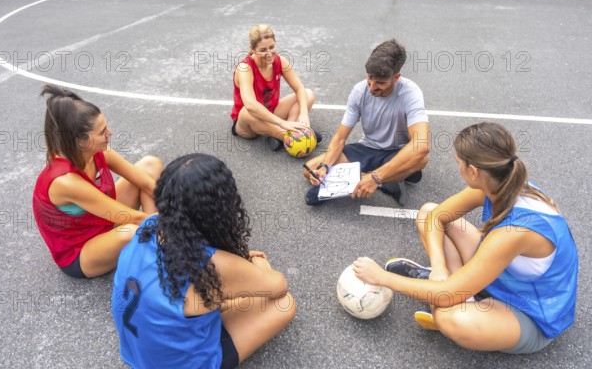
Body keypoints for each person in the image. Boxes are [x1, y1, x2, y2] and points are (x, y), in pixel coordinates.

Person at [353, 122, 578, 354]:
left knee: (449, 317)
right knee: (427, 213)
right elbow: (437, 217)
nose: (458, 168)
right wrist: (439, 267)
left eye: (459, 163)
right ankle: (450, 283)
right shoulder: (501, 183)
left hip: (531, 313)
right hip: (503, 276)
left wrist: (380, 277)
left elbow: (449, 294)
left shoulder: (515, 232)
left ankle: (454, 294)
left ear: (473, 171)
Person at [111, 153, 296, 369]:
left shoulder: (148, 225)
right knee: (285, 304)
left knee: (207, 297)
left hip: (136, 355)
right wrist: (259, 266)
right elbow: (278, 287)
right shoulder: (211, 264)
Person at [32, 84, 162, 279]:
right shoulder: (65, 182)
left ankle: (158, 243)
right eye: (102, 132)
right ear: (80, 141)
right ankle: (161, 243)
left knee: (150, 165)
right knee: (130, 231)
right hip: (80, 252)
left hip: (101, 221)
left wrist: (175, 203)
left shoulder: (96, 152)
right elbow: (134, 218)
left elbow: (145, 182)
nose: (109, 133)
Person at [302, 39, 429, 206]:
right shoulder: (359, 91)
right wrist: (325, 167)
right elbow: (340, 138)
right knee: (309, 168)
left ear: (396, 77)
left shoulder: (411, 93)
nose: (372, 87)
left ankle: (373, 178)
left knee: (421, 159)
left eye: (381, 83)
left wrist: (375, 178)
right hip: (368, 147)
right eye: (370, 78)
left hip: (397, 151)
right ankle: (388, 181)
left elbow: (421, 145)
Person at [231, 23, 320, 151]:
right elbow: (250, 105)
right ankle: (293, 135)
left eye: (271, 47)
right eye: (263, 50)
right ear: (252, 48)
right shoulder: (245, 68)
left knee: (308, 94)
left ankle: (282, 132)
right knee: (246, 111)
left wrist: (304, 113)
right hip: (248, 123)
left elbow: (299, 88)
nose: (269, 53)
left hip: (271, 112)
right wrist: (281, 123)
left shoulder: (281, 61)